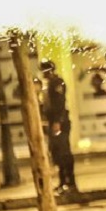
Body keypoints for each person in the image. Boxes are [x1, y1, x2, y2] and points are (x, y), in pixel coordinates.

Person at [40, 59, 77, 193]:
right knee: (56, 153)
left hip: (60, 122)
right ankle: (62, 182)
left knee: (64, 152)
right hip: (53, 122)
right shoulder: (48, 84)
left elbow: (60, 104)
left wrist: (57, 122)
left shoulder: (57, 83)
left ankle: (70, 181)